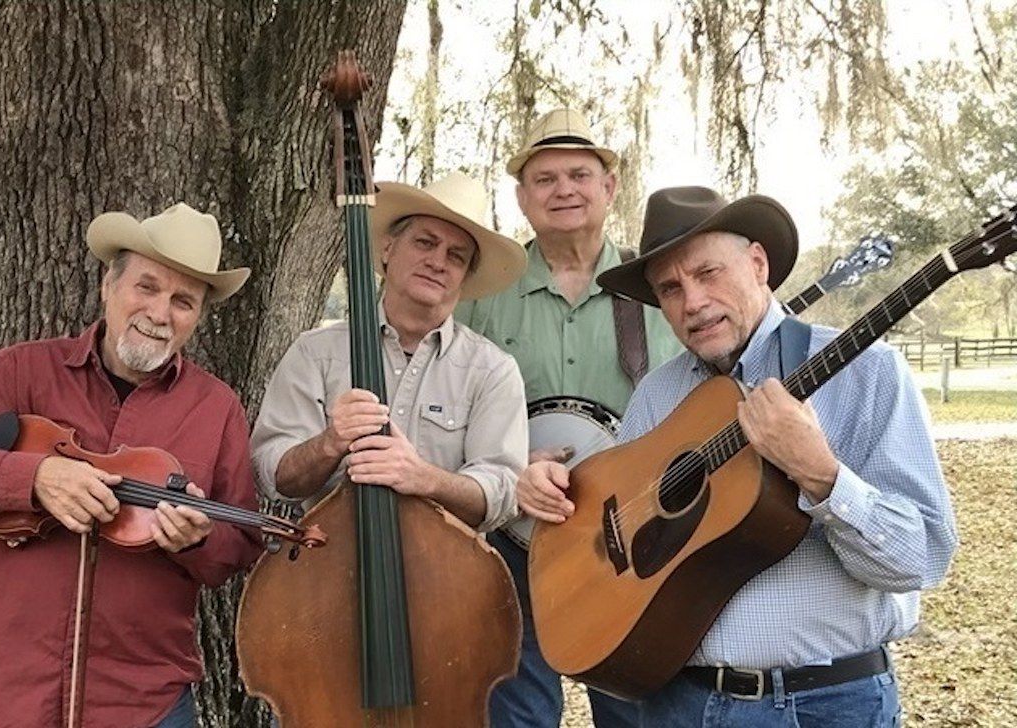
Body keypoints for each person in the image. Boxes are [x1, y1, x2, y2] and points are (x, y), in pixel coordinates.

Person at [535, 184, 956, 726]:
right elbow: (622, 511)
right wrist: (556, 493)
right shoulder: (658, 393)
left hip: (823, 705)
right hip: (679, 705)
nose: (693, 302)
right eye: (670, 288)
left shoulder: (868, 373)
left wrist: (822, 476)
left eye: (708, 273)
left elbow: (921, 559)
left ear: (758, 264)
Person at [0, 202, 264, 728]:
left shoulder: (217, 408)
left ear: (197, 317)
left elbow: (238, 548)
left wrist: (197, 542)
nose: (160, 313)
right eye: (146, 287)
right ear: (108, 286)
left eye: (183, 301)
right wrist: (33, 478)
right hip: (3, 699)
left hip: (143, 705)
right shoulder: (22, 371)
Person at [455, 108, 679, 727]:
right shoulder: (481, 293)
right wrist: (506, 464)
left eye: (579, 175)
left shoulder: (657, 288)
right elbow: (442, 403)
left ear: (609, 187)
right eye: (545, 179)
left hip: (632, 539)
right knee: (517, 714)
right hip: (511, 540)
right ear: (522, 197)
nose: (564, 191)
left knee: (633, 712)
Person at [251, 172, 527, 534]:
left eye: (456, 256)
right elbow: (272, 476)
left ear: (464, 277)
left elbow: (503, 493)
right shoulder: (315, 353)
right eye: (425, 243)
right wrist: (330, 443)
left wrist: (424, 478)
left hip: (445, 563)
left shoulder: (492, 370)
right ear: (387, 249)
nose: (438, 262)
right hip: (327, 557)